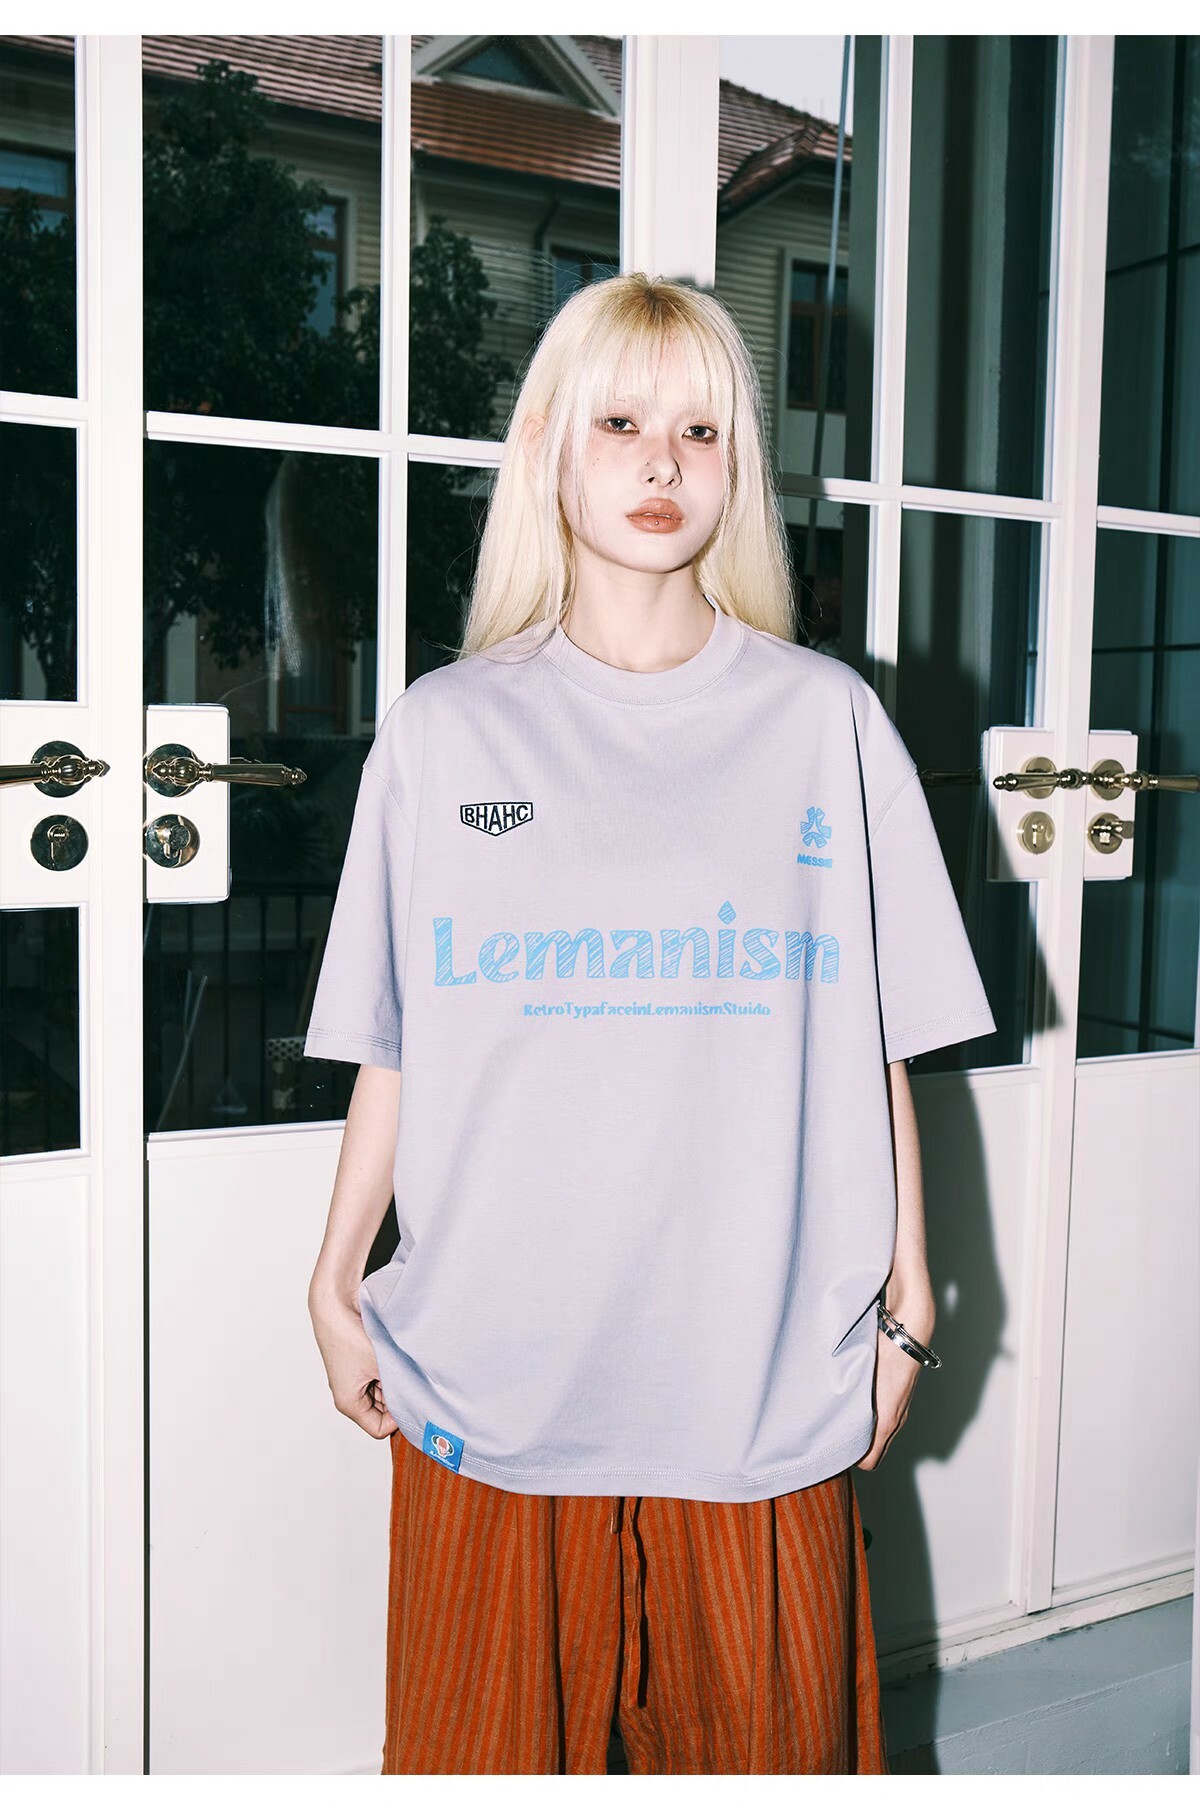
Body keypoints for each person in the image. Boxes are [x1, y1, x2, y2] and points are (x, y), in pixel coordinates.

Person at [304, 272, 997, 1774]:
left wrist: (914, 1292)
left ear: (739, 464)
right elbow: (397, 1038)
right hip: (494, 1367)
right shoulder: (443, 729)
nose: (662, 462)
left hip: (756, 1369)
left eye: (700, 428)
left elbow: (878, 1040)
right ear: (551, 447)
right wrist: (335, 1270)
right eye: (620, 423)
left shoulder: (826, 720)